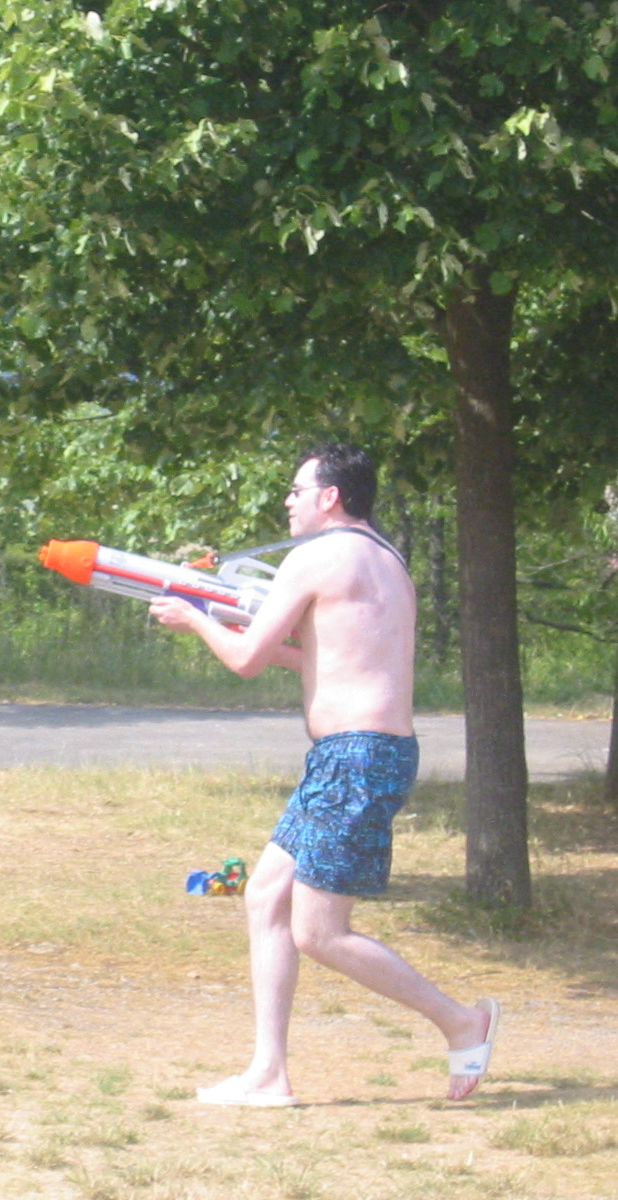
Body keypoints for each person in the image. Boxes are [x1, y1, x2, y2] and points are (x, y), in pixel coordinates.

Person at [148, 442, 499, 1106]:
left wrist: (194, 619)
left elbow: (247, 661)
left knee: (319, 932)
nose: (288, 501)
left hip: (355, 759)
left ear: (330, 496)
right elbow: (319, 656)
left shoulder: (317, 556)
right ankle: (268, 1074)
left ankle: (461, 1021)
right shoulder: (386, 560)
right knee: (265, 897)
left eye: (296, 489)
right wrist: (227, 623)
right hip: (356, 757)